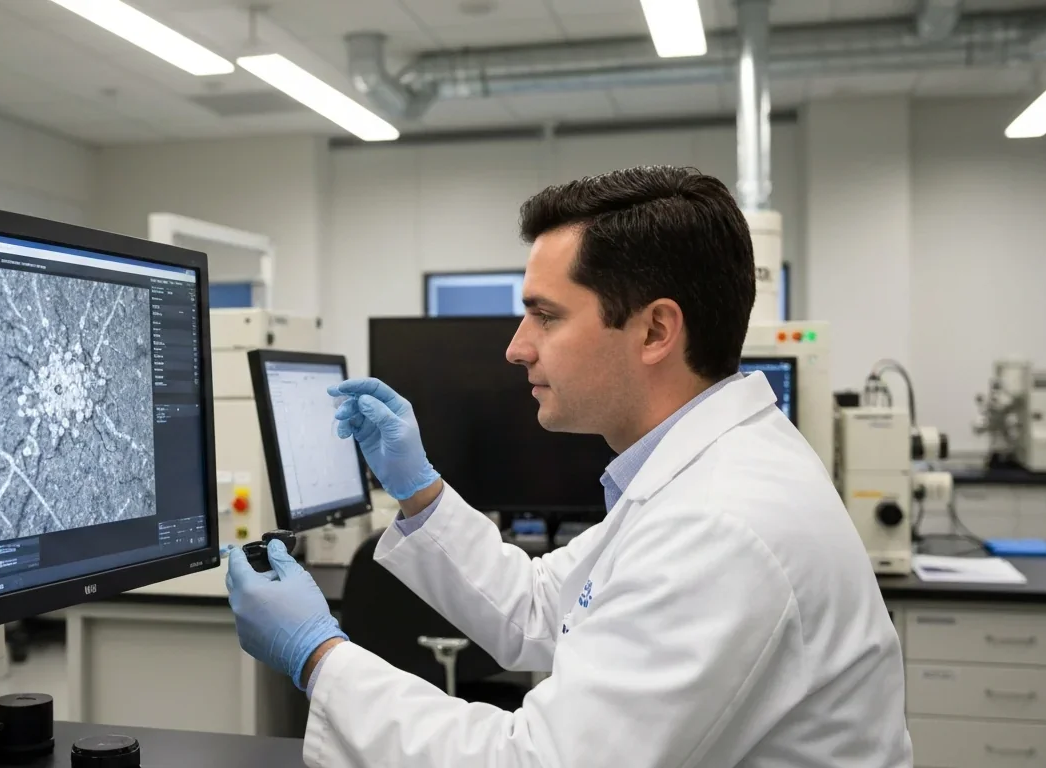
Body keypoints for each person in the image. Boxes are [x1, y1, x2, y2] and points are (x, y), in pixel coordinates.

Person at [225, 166, 911, 767]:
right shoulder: (698, 475)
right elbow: (539, 609)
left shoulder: (721, 525)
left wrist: (318, 655)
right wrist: (420, 492)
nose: (516, 349)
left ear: (654, 330)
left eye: (545, 317)